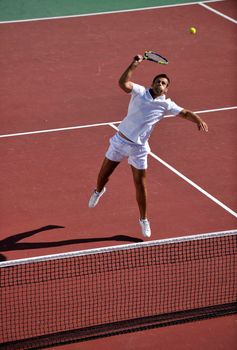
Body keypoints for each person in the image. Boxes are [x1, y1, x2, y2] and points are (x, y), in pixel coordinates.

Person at [88, 54, 208, 238]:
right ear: (152, 84)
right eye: (158, 81)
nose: (160, 84)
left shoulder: (166, 105)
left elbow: (184, 113)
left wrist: (197, 119)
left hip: (139, 149)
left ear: (167, 89)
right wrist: (134, 64)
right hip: (120, 141)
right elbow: (123, 83)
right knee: (103, 175)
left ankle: (143, 219)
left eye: (163, 83)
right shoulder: (139, 91)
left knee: (140, 185)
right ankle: (98, 190)